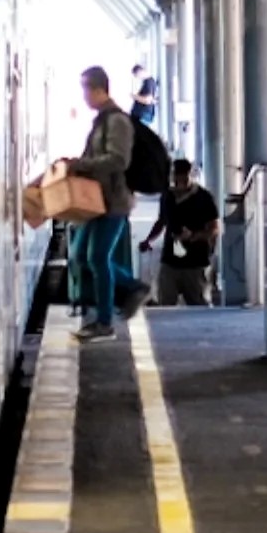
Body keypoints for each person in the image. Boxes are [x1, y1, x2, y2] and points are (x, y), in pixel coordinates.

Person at [67, 65, 151, 343]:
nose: (84, 97)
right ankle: (131, 288)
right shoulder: (102, 121)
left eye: (85, 90)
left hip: (113, 201)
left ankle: (105, 322)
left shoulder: (116, 122)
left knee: (97, 257)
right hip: (97, 201)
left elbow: (118, 160)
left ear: (97, 89)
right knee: (81, 255)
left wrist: (82, 165)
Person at [139, 159, 219, 306]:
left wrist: (194, 236)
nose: (179, 184)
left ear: (190, 176)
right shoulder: (167, 196)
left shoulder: (204, 197)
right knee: (165, 303)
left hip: (195, 261)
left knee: (197, 303)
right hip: (170, 259)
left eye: (183, 180)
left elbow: (214, 229)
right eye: (176, 180)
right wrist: (148, 239)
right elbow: (162, 221)